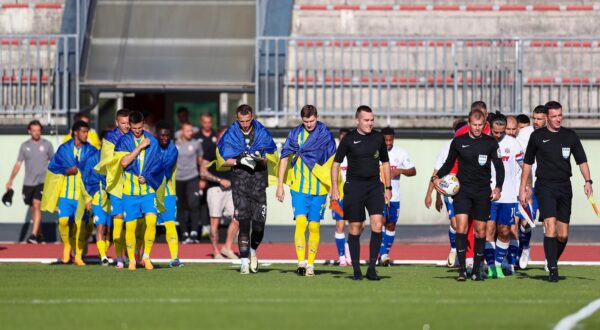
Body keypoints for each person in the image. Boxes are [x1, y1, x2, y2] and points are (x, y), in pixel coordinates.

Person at [519, 101, 593, 282]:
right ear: (547, 118)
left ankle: (551, 258)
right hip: (545, 186)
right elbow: (527, 163)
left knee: (563, 234)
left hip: (564, 187)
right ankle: (552, 268)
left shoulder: (570, 136)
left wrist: (588, 181)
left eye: (560, 115)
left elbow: (581, 160)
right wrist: (523, 188)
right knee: (549, 227)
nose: (558, 119)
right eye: (554, 116)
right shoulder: (537, 137)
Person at [433, 109, 504, 281]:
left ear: (484, 124)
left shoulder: (490, 143)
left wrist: (498, 188)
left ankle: (477, 269)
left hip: (482, 192)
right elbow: (449, 163)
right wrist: (435, 177)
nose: (478, 128)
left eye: (480, 125)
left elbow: (499, 167)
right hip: (463, 191)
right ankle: (463, 269)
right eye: (474, 125)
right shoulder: (458, 142)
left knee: (480, 232)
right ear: (469, 124)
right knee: (462, 227)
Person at [331, 105, 391, 281]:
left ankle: (372, 268)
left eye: (372, 120)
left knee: (378, 224)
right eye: (366, 120)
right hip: (354, 187)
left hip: (374, 187)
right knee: (355, 227)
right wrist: (335, 188)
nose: (370, 123)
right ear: (357, 120)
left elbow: (385, 164)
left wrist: (388, 188)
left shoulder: (378, 138)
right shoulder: (349, 139)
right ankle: (356, 270)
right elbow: (335, 164)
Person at [216, 104, 277, 274]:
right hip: (240, 186)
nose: (244, 124)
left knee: (258, 227)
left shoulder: (262, 133)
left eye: (247, 120)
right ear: (237, 119)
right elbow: (222, 159)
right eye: (241, 121)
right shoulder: (231, 134)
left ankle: (253, 251)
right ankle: (243, 262)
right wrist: (239, 161)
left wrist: (259, 158)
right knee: (243, 224)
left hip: (258, 185)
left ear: (252, 117)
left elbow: (271, 157)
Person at [277, 105, 337, 276]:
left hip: (319, 189)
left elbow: (333, 161)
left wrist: (333, 186)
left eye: (311, 121)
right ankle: (301, 262)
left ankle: (311, 264)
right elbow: (284, 158)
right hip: (299, 187)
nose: (309, 124)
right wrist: (280, 185)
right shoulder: (295, 134)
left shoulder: (325, 135)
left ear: (317, 117)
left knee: (314, 226)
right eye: (305, 121)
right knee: (301, 223)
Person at [110, 111, 165, 271]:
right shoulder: (123, 141)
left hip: (148, 191)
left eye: (140, 127)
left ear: (143, 124)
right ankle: (132, 260)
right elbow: (123, 163)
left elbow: (158, 165)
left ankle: (146, 257)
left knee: (151, 222)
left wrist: (148, 176)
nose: (137, 130)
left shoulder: (152, 141)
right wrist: (140, 147)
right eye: (134, 128)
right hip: (130, 192)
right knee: (131, 227)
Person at [41, 121, 94, 265]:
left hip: (81, 195)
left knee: (80, 225)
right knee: (64, 221)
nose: (86, 135)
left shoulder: (91, 150)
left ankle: (78, 256)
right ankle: (66, 247)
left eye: (87, 132)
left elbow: (96, 171)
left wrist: (91, 196)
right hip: (65, 193)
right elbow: (53, 167)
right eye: (83, 132)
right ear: (76, 132)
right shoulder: (64, 149)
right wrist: (66, 171)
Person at [484, 113, 523, 278]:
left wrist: (526, 186)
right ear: (490, 128)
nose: (498, 135)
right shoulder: (484, 142)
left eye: (502, 132)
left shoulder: (513, 144)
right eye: (495, 132)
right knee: (489, 229)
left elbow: (524, 166)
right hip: (487, 194)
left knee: (505, 231)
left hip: (508, 195)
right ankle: (492, 266)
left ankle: (499, 263)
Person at [424, 119, 467, 267]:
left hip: (470, 189)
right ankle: (454, 249)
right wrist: (432, 194)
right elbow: (437, 172)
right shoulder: (447, 148)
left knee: (467, 224)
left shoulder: (474, 143)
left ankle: (467, 254)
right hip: (452, 191)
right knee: (456, 224)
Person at [6, 120, 54, 243]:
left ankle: (32, 235)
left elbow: (54, 162)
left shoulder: (47, 145)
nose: (37, 133)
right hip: (28, 183)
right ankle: (39, 235)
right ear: (29, 131)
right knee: (33, 208)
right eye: (34, 130)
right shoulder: (24, 146)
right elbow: (18, 164)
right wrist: (10, 180)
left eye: (38, 130)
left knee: (37, 205)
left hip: (42, 182)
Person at [95, 108, 130, 268]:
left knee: (133, 223)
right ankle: (119, 258)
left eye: (128, 122)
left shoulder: (136, 135)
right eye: (123, 123)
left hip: (133, 185)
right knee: (117, 222)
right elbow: (107, 162)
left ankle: (134, 255)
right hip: (116, 186)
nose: (127, 126)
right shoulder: (110, 137)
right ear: (117, 122)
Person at [378, 127, 416, 266]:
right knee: (379, 222)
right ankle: (382, 254)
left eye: (390, 140)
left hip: (394, 196)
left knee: (391, 225)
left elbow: (413, 170)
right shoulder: (374, 152)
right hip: (378, 194)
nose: (388, 142)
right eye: (385, 140)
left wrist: (400, 171)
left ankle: (384, 253)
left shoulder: (400, 153)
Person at [515, 105, 546, 269]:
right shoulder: (525, 133)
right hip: (531, 185)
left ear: (547, 118)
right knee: (526, 221)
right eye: (534, 118)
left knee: (549, 223)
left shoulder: (554, 134)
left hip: (548, 184)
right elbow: (519, 159)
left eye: (539, 118)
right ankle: (525, 248)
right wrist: (525, 185)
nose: (535, 121)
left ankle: (550, 258)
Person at [201, 127, 239, 259]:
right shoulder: (211, 149)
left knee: (238, 217)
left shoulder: (233, 150)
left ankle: (227, 248)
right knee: (215, 221)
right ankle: (216, 251)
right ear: (219, 135)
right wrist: (219, 180)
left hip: (231, 190)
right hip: (215, 189)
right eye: (225, 134)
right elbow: (203, 171)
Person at [155, 121, 184, 267]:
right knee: (143, 225)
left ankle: (175, 258)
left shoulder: (173, 149)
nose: (165, 138)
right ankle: (138, 257)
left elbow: (165, 169)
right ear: (156, 136)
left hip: (168, 193)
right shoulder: (150, 147)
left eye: (167, 135)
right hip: (149, 193)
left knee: (170, 224)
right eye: (162, 135)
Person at [80, 146, 111, 265]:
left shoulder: (115, 157)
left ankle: (102, 251)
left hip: (111, 197)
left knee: (109, 230)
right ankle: (103, 256)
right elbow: (85, 178)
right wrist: (88, 199)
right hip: (97, 196)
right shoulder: (92, 159)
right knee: (100, 226)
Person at [175, 122, 204, 244]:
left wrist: (202, 178)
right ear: (182, 131)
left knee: (194, 204)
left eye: (191, 130)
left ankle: (194, 231)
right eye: (187, 131)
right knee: (181, 206)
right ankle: (183, 233)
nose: (190, 133)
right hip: (178, 179)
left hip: (192, 177)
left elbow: (201, 161)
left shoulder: (196, 143)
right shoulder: (175, 144)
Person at [195, 112, 219, 239]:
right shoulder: (196, 136)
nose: (207, 125)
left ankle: (210, 226)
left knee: (212, 200)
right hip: (199, 173)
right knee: (200, 200)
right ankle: (202, 225)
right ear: (201, 122)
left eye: (209, 122)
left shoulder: (216, 135)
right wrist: (201, 176)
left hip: (214, 174)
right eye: (205, 122)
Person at [332, 128, 353, 266]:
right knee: (339, 225)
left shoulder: (354, 154)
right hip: (338, 196)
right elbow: (329, 174)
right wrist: (332, 192)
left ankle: (347, 246)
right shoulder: (334, 154)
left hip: (354, 196)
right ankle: (342, 257)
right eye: (342, 138)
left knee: (358, 225)